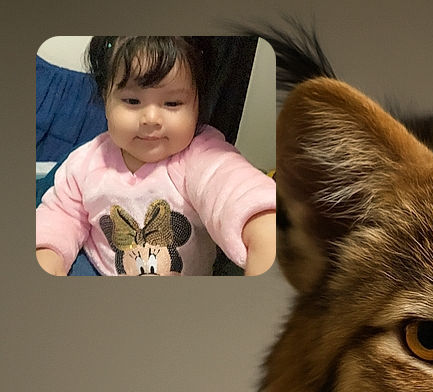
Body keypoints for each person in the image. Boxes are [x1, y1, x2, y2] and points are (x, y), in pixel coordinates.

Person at [36, 36, 276, 276]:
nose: (151, 118)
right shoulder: (84, 161)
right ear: (106, 102)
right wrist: (49, 256)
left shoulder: (201, 156)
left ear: (197, 105)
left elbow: (234, 187)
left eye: (172, 103)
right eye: (132, 100)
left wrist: (262, 223)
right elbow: (58, 219)